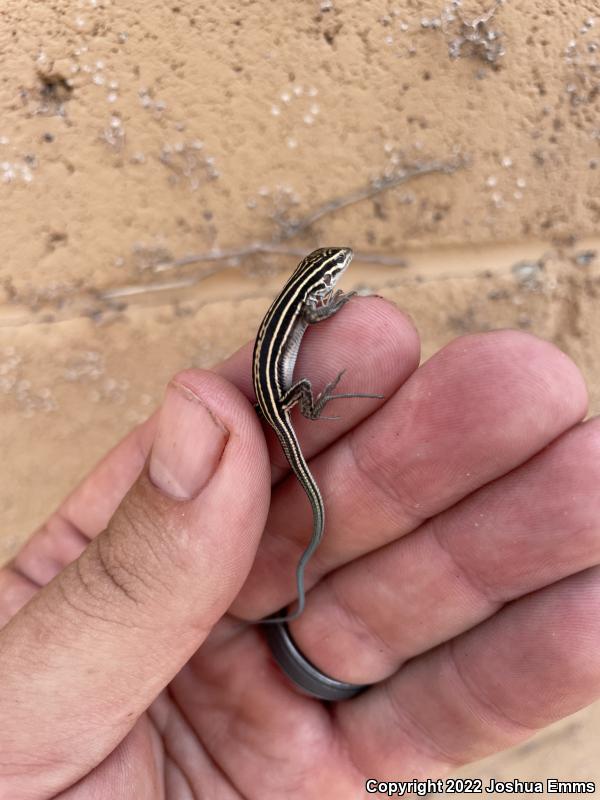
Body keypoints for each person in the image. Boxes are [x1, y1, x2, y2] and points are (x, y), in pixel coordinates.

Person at [1, 297, 598, 798]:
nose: (335, 283)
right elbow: (318, 312)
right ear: (323, 279)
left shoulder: (302, 306)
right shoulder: (311, 301)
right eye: (334, 271)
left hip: (276, 392)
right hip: (278, 397)